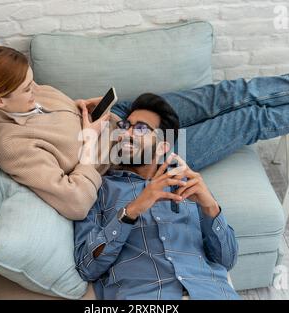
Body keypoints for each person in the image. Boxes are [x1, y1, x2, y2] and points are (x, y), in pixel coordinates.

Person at [0, 45, 289, 220]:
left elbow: (56, 108)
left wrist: (83, 109)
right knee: (248, 120)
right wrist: (91, 142)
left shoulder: (29, 90)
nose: (36, 89)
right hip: (129, 158)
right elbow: (74, 201)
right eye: (26, 89)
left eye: (33, 81)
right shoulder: (12, 146)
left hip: (122, 118)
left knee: (229, 93)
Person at [74, 94, 240, 299]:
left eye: (141, 128)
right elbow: (87, 267)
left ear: (163, 146)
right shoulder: (100, 188)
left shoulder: (188, 184)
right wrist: (132, 210)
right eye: (125, 125)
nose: (126, 133)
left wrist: (211, 208)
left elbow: (227, 260)